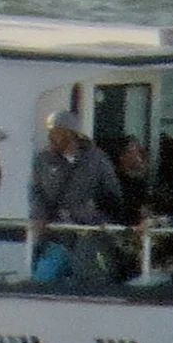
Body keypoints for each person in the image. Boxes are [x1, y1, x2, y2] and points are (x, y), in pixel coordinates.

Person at [29, 110, 123, 281]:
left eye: (55, 132)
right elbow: (36, 191)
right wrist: (39, 216)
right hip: (55, 237)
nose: (50, 137)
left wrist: (97, 215)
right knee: (42, 280)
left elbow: (113, 196)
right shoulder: (42, 160)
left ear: (70, 133)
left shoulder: (98, 160)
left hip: (88, 238)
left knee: (90, 283)